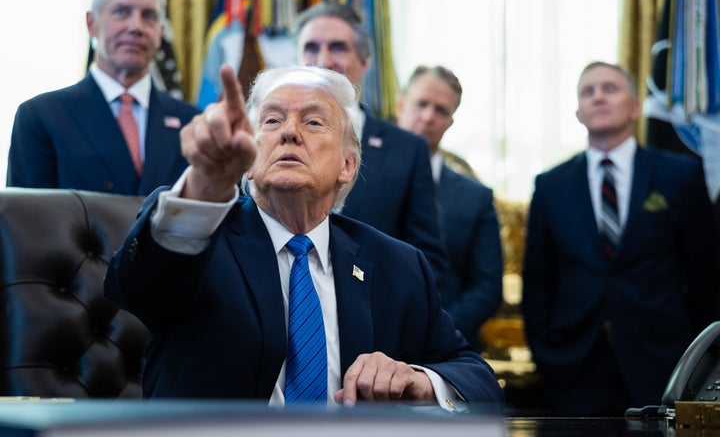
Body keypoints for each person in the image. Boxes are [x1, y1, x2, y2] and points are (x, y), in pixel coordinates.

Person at [103, 64, 504, 409]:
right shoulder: (198, 232)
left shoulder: (397, 265)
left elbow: (476, 378)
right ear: (248, 160)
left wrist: (417, 380)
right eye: (272, 121)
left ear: (347, 166)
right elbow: (138, 290)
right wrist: (204, 185)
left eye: (313, 122)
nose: (289, 132)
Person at [521, 61, 719, 416]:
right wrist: (548, 356)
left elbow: (704, 275)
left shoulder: (680, 176)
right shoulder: (550, 186)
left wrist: (693, 361)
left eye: (610, 88)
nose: (598, 96)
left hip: (661, 365)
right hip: (574, 368)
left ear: (635, 107)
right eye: (587, 91)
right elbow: (537, 282)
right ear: (578, 113)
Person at [6, 0, 199, 195]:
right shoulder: (41, 117)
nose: (136, 26)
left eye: (148, 15)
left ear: (161, 30)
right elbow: (24, 224)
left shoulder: (193, 123)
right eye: (121, 12)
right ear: (91, 23)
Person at [291, 2, 448, 283]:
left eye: (338, 47)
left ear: (364, 62)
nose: (323, 59)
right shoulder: (270, 137)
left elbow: (427, 261)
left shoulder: (407, 150)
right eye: (311, 47)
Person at [394, 65, 503, 351]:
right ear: (400, 106)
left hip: (445, 348)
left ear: (450, 122)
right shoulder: (356, 176)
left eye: (441, 110)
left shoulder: (475, 197)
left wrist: (437, 330)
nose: (428, 116)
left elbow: (487, 287)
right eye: (421, 104)